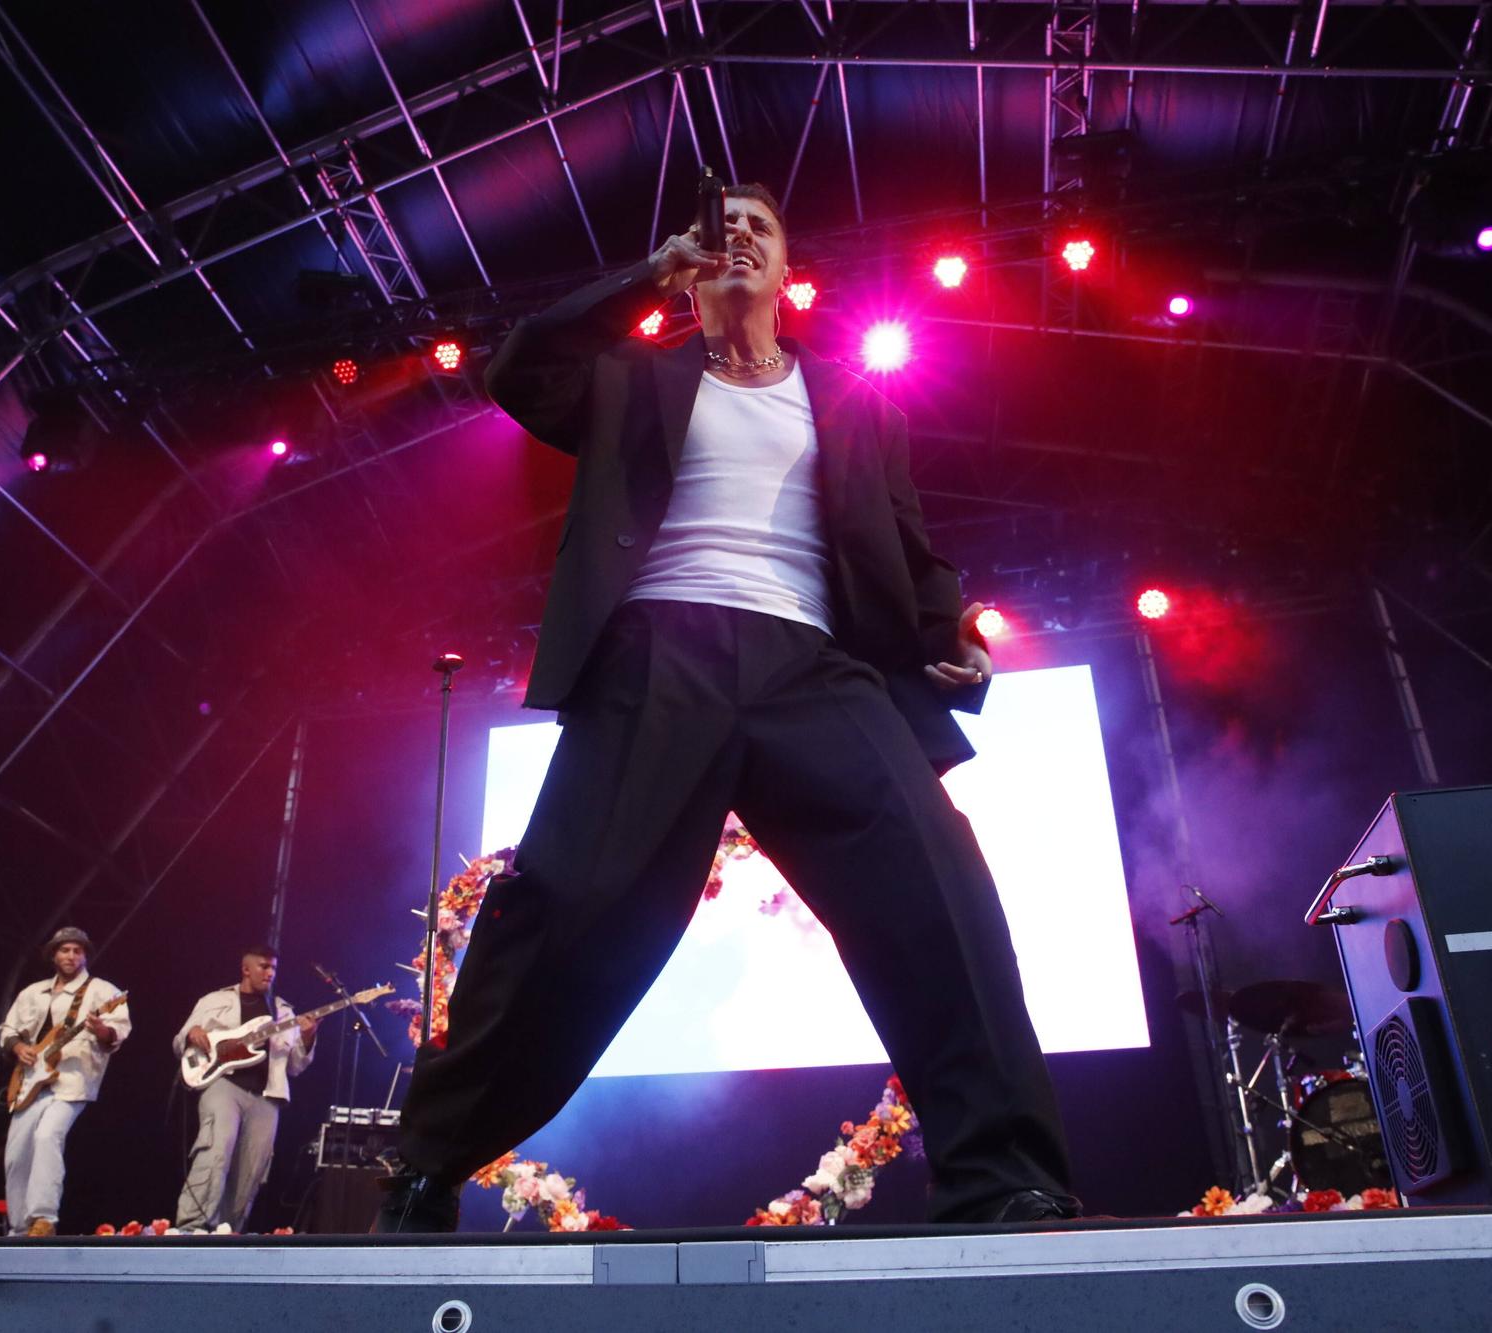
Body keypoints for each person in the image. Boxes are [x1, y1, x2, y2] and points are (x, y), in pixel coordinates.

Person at [375, 183, 1078, 1233]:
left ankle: (1003, 1176)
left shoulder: (847, 396)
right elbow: (520, 369)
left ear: (787, 266)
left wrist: (951, 640)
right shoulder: (629, 378)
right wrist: (640, 283)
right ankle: (429, 1162)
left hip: (817, 667)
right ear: (694, 267)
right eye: (720, 230)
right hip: (660, 652)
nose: (737, 238)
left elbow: (904, 539)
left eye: (758, 227)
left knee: (938, 892)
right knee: (564, 908)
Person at [173, 945, 319, 1231]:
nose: (269, 973)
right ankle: (192, 1226)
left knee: (252, 1168)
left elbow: (296, 1066)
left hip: (267, 1096)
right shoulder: (215, 1000)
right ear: (246, 969)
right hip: (223, 1085)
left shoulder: (282, 1011)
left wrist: (308, 1038)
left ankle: (228, 1231)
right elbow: (181, 1041)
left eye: (273, 968)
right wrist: (193, 1033)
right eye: (264, 966)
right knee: (216, 1149)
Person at [0, 926, 130, 1237]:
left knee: (47, 1137)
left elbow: (118, 1031)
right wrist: (19, 1047)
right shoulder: (32, 992)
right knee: (16, 1155)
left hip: (72, 1080)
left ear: (85, 955)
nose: (71, 956)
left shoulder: (102, 991)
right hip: (30, 1081)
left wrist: (100, 1030)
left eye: (77, 951)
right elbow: (8, 1029)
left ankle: (43, 1219)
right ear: (53, 955)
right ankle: (18, 1228)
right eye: (65, 950)